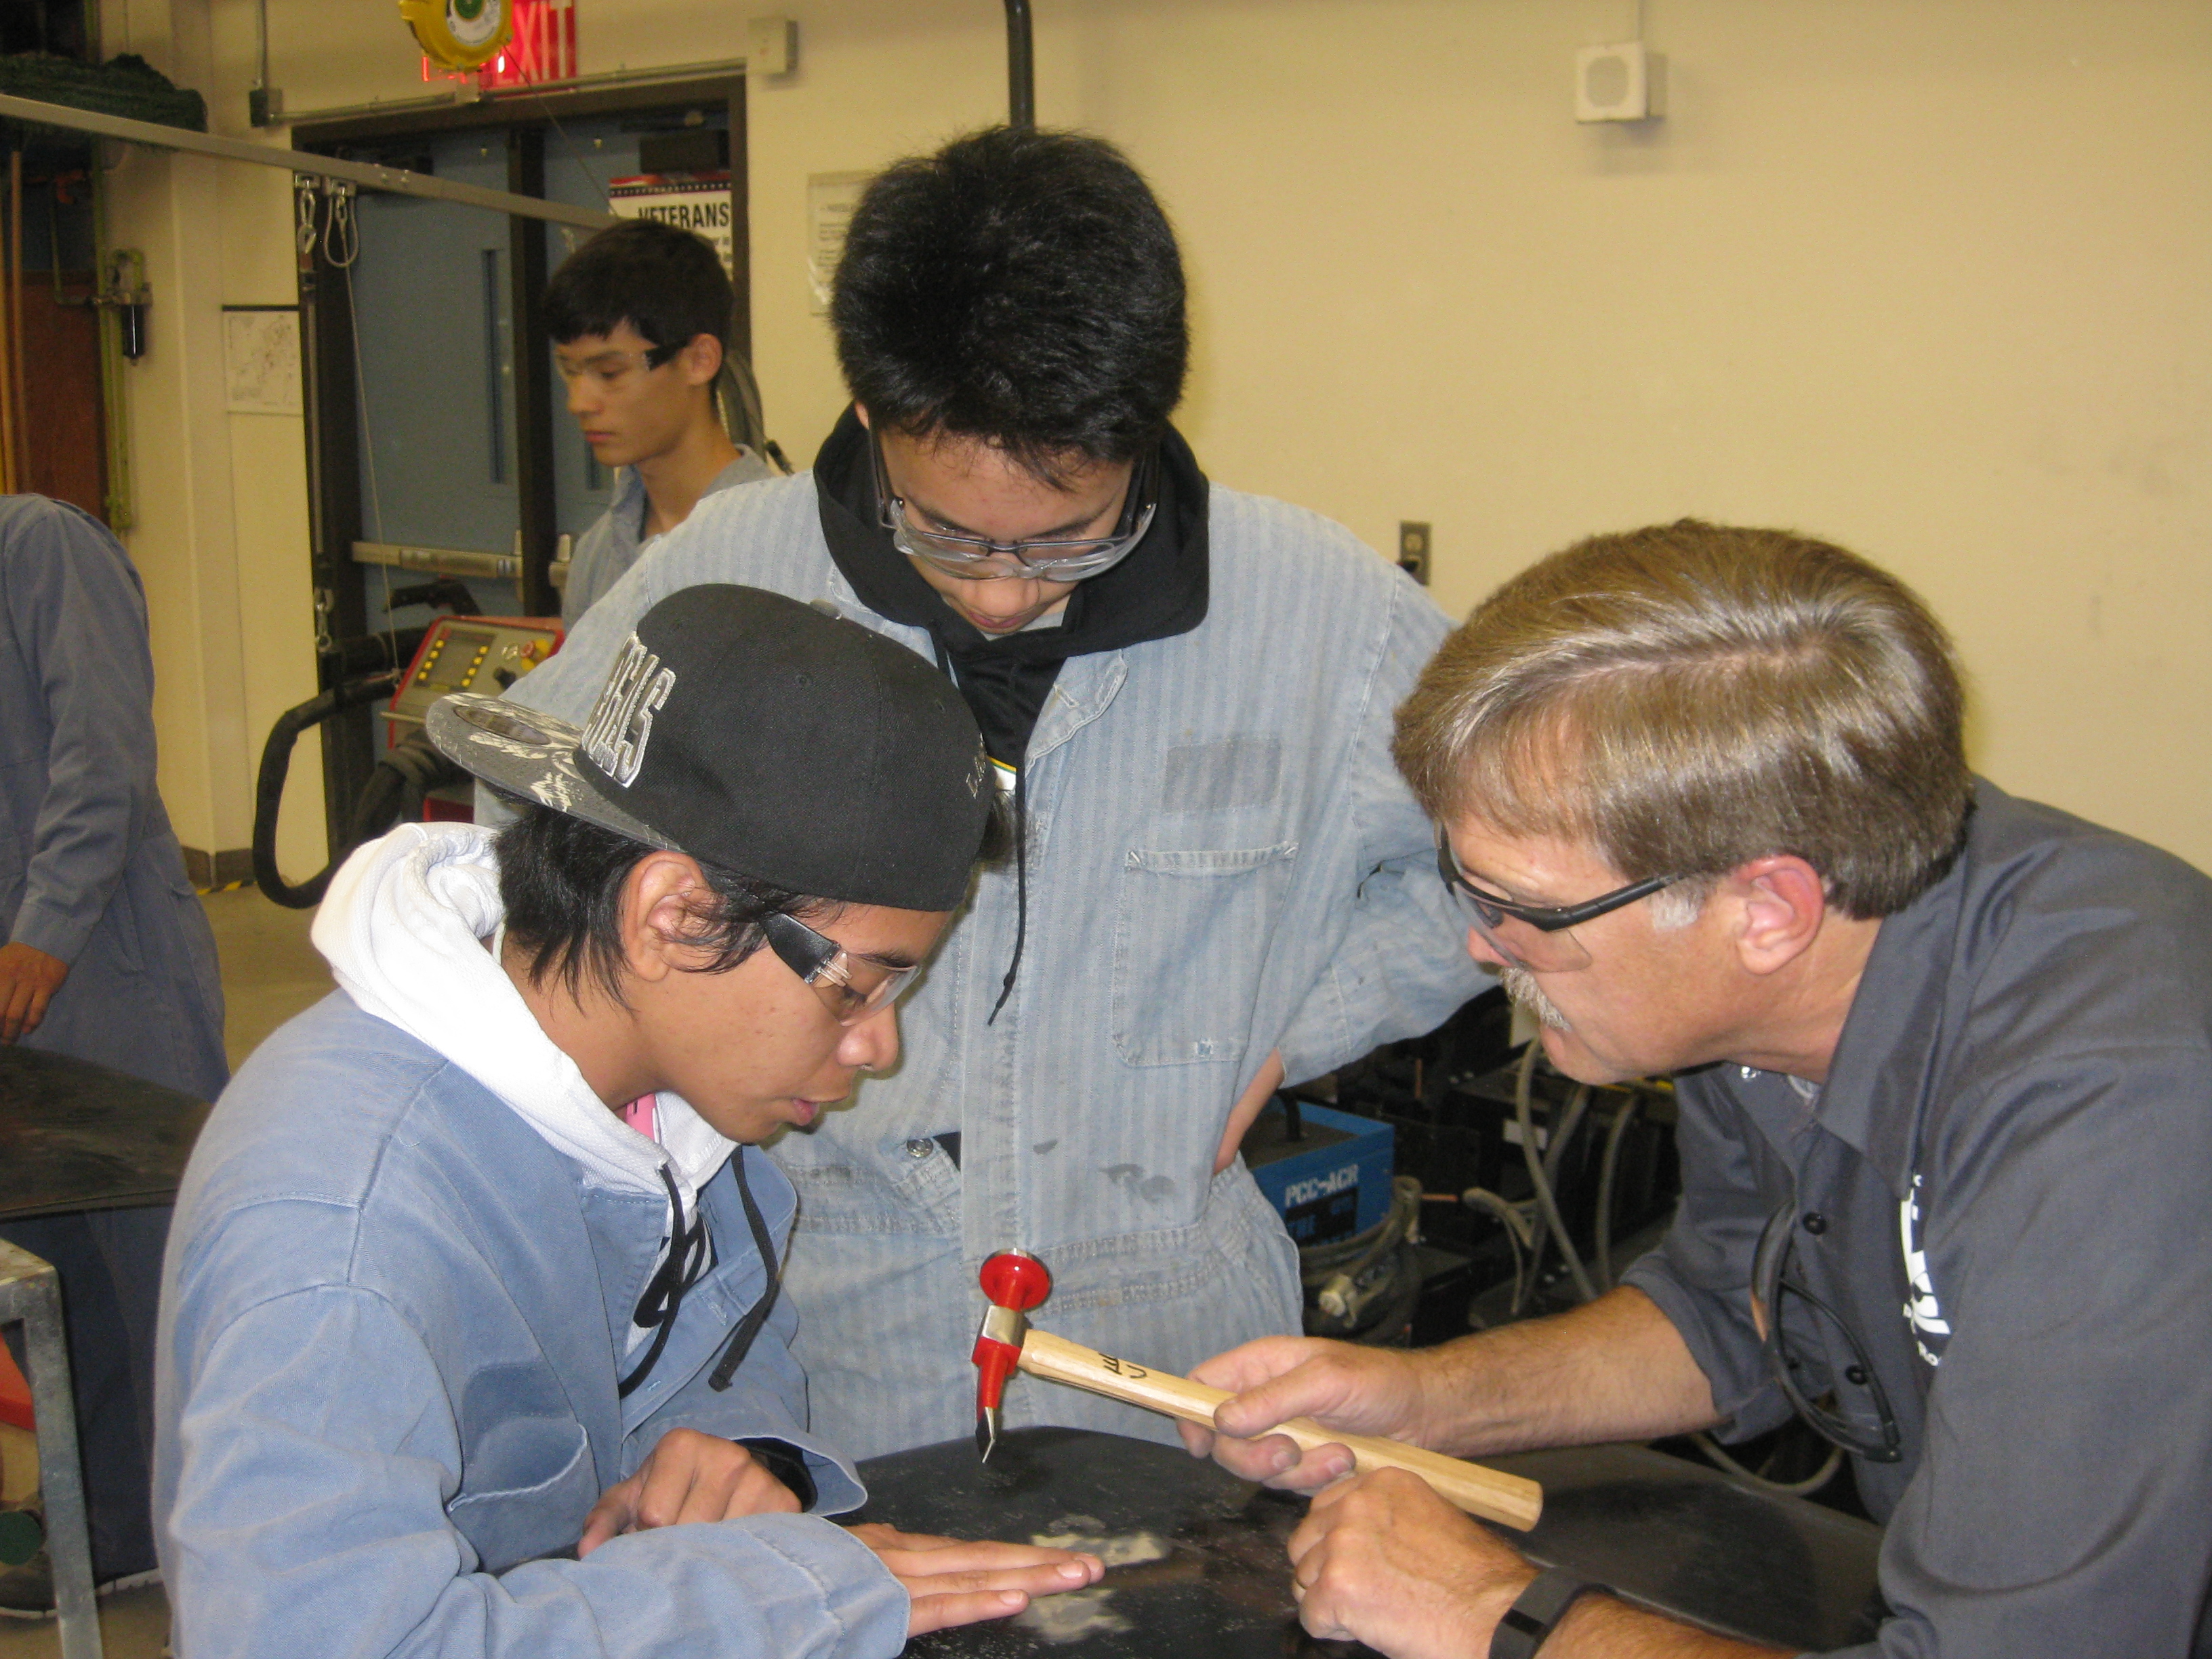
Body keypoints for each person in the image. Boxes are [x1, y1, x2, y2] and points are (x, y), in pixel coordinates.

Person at [496, 125, 1485, 1460]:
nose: (1004, 593)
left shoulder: (1322, 616)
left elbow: (1505, 859)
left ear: (1140, 433)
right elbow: (538, 831)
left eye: (1070, 538)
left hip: (1174, 1338)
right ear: (869, 418)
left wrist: (1306, 1022)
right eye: (946, 533)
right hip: (821, 1325)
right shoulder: (725, 578)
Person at [1181, 520, 2212, 1658]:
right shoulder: (1768, 986)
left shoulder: (2115, 1112)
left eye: (1524, 907)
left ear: (1766, 910)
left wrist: (1489, 1613)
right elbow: (1732, 1311)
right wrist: (1420, 1403)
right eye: (1465, 885)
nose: (1481, 945)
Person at [154, 586, 1103, 1658]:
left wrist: (742, 1459)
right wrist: (769, 1599)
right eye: (856, 987)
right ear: (673, 917)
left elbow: (718, 1351)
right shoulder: (345, 1236)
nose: (879, 1047)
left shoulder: (659, 1097)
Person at [0, 493, 226, 1615]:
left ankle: (211, 1547)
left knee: (161, 1268)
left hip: (103, 969)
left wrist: (43, 927)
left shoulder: (41, 548)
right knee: (58, 1271)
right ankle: (106, 1519)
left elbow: (103, 755)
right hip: (18, 998)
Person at [547, 218, 775, 626]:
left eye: (610, 372)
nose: (578, 402)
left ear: (699, 360)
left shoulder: (776, 544)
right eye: (570, 370)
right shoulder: (599, 554)